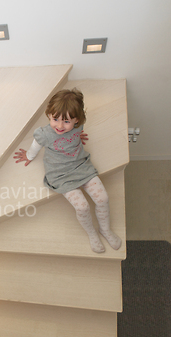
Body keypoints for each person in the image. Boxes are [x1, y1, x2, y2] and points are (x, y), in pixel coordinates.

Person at [14, 88, 121, 253]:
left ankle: (104, 230)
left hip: (80, 166)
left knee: (103, 198)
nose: (60, 126)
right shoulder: (46, 134)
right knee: (83, 207)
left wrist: (77, 136)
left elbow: (75, 130)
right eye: (55, 119)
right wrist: (29, 156)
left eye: (67, 122)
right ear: (49, 115)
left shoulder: (78, 126)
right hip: (60, 174)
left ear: (77, 120)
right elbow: (36, 144)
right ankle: (92, 233)